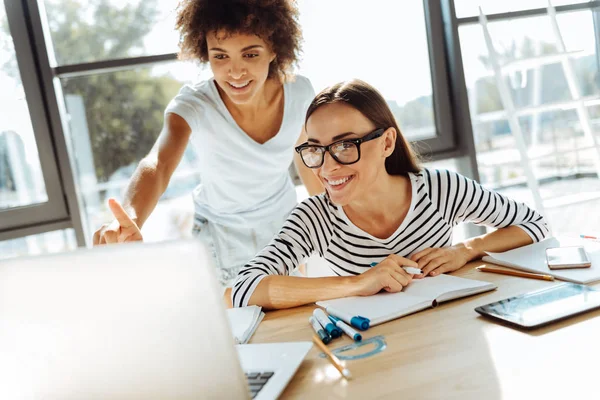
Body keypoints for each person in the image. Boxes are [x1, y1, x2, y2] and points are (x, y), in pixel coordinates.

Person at [232, 79, 550, 309]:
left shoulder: (441, 189)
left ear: (386, 143)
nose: (327, 167)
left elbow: (535, 226)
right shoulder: (315, 217)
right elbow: (241, 290)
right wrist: (358, 283)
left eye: (345, 145)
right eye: (316, 149)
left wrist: (465, 250)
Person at [92, 0, 323, 286]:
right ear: (206, 53)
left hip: (285, 226)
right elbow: (159, 164)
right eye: (221, 57)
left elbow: (309, 161)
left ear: (274, 49)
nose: (235, 72)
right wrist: (129, 217)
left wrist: (334, 221)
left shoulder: (300, 92)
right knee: (236, 326)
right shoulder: (194, 104)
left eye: (250, 54)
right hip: (222, 237)